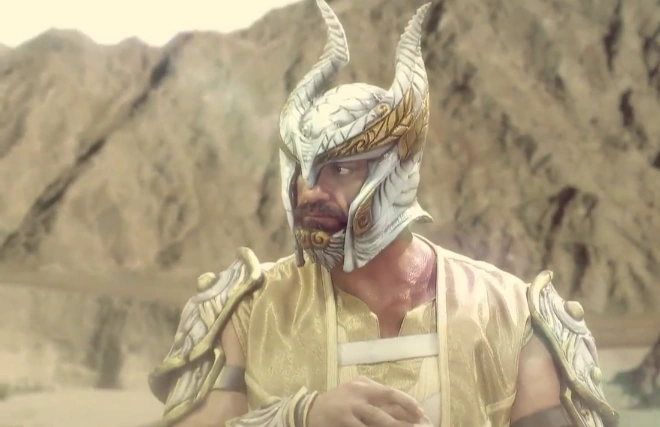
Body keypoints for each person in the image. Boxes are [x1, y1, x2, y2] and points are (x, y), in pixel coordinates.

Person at [148, 1, 619, 426]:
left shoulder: (512, 313)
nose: (311, 192)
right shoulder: (246, 311)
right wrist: (299, 417)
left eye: (340, 169)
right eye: (303, 172)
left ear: (397, 170)